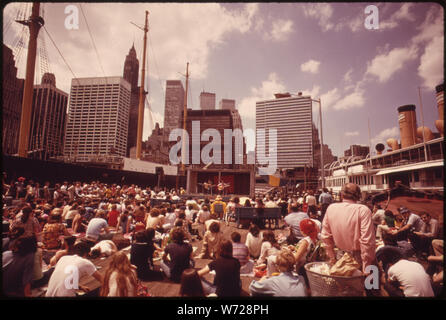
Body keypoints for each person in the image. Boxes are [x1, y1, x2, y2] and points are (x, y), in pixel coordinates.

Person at [321, 183, 376, 274]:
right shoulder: (363, 210)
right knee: (370, 285)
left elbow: (325, 236)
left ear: (341, 195)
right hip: (360, 259)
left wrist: (332, 257)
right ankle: (372, 286)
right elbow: (367, 241)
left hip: (340, 256)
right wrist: (367, 266)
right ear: (358, 196)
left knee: (343, 286)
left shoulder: (331, 208)